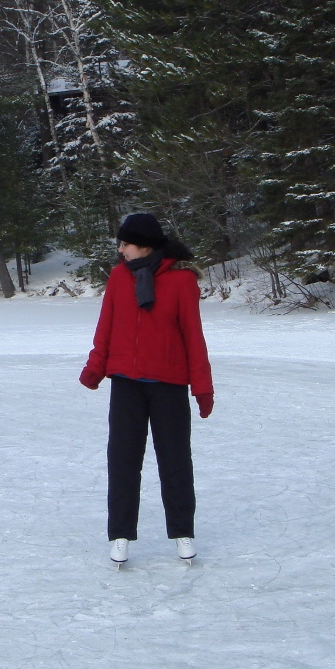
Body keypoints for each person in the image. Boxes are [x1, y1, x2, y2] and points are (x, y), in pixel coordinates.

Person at [79, 213, 214, 568]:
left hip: (169, 385)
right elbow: (106, 327)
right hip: (126, 385)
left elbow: (193, 337)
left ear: (145, 246)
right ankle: (120, 535)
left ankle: (183, 532)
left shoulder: (182, 281)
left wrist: (202, 388)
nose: (120, 250)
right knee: (122, 461)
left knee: (175, 462)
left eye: (125, 243)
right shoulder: (118, 278)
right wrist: (95, 367)